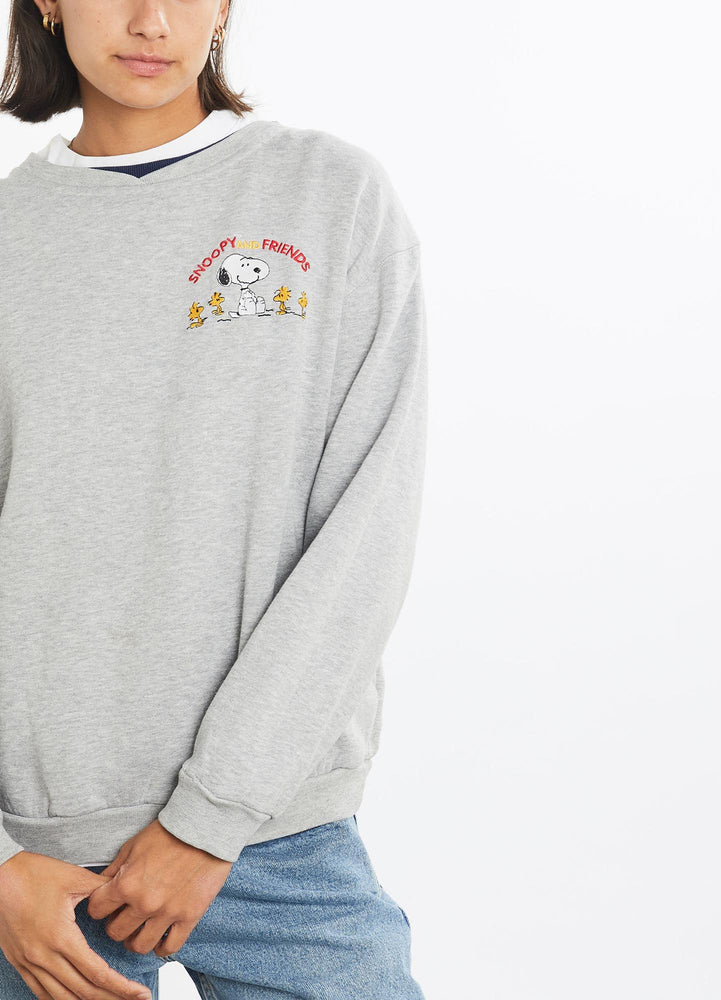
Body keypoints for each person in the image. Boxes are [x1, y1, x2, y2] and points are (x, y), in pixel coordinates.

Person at [0, 2, 429, 998]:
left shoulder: (330, 196)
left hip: (281, 836)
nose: (152, 19)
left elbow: (367, 526)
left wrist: (209, 819)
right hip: (40, 866)